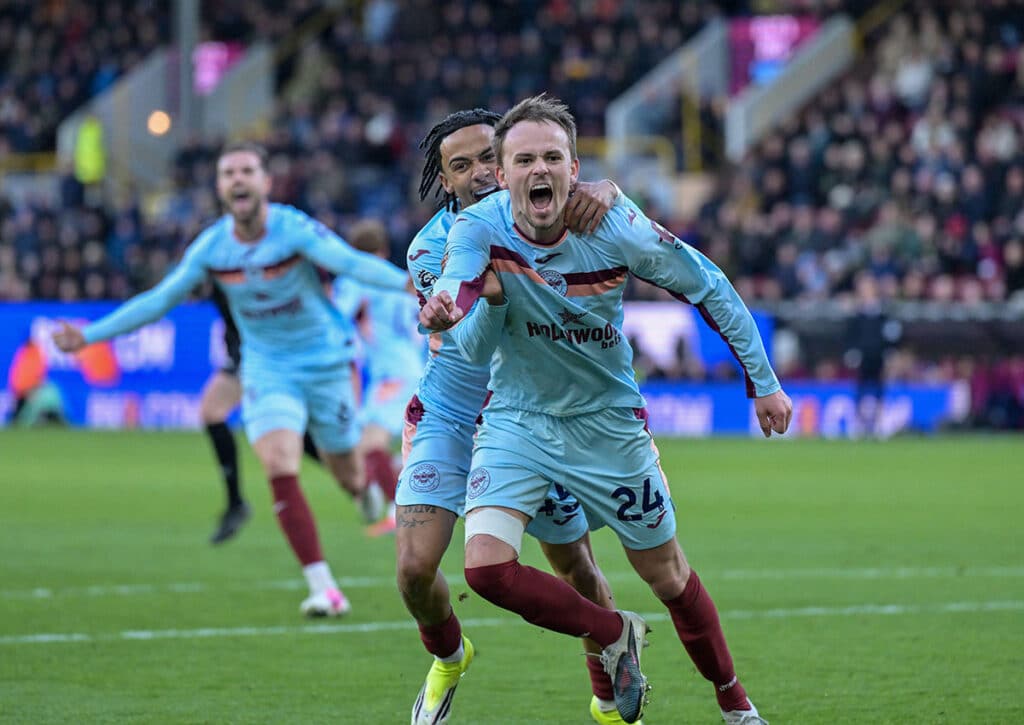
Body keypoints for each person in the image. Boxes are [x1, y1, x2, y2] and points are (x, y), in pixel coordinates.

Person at [421, 95, 793, 724]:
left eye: (552, 158)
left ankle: (735, 701)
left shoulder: (615, 225)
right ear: (504, 173)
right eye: (524, 160)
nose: (538, 170)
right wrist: (447, 307)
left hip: (609, 426)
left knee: (669, 577)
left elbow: (708, 285)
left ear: (574, 168)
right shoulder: (477, 227)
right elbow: (455, 286)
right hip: (517, 420)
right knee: (485, 570)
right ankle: (615, 634)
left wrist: (764, 381)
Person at [53, 141, 407, 617]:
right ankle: (324, 587)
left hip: (327, 363)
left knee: (347, 470)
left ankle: (365, 493)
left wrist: (411, 281)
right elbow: (159, 300)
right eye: (228, 174)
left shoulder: (292, 228)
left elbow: (349, 262)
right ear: (221, 188)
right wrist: (90, 335)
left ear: (265, 182)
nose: (237, 180)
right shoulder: (212, 248)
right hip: (266, 368)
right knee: (279, 463)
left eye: (246, 171)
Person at [400, 109, 632, 725]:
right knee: (415, 570)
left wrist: (608, 192)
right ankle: (449, 655)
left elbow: (609, 217)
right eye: (461, 166)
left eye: (486, 159)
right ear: (444, 182)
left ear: (505, 160)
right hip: (451, 414)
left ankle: (608, 697)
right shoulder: (430, 248)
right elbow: (473, 321)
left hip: (530, 415)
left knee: (576, 565)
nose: (478, 173)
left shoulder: (558, 212)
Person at [201, 286, 324, 545]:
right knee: (214, 412)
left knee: (284, 432)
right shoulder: (211, 261)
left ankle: (350, 468)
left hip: (264, 353)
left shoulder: (239, 265)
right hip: (244, 351)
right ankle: (235, 502)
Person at [332, 219, 425, 536]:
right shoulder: (402, 282)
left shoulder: (359, 281)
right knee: (367, 448)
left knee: (371, 444)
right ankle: (397, 502)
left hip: (393, 376)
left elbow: (336, 317)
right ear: (384, 249)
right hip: (408, 369)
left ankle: (400, 512)